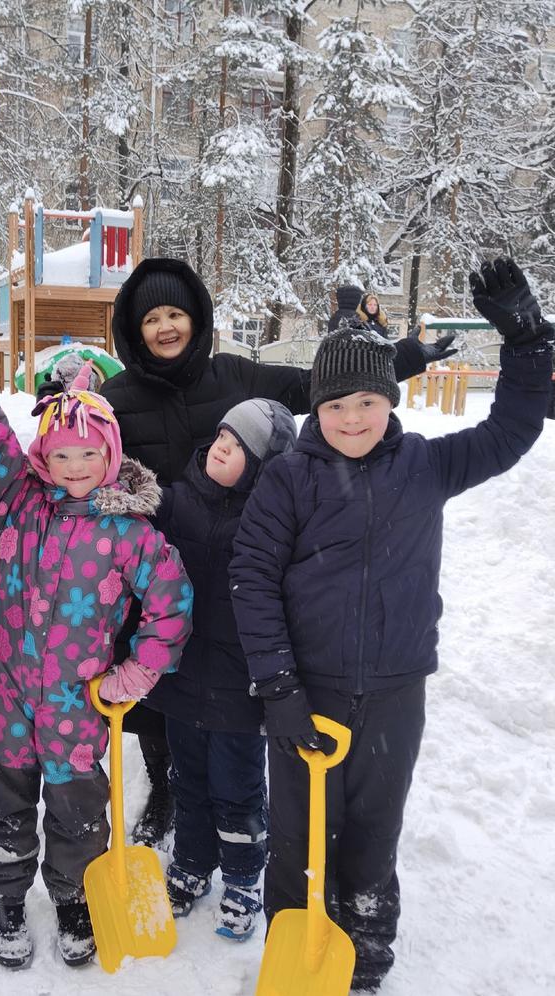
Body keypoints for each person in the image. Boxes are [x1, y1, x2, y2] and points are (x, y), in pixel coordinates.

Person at [228, 258, 553, 993]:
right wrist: (278, 688)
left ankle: (367, 952)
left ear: (388, 401)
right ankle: (295, 951)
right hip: (304, 690)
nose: (351, 419)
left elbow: (513, 428)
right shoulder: (289, 478)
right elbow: (252, 579)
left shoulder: (426, 467)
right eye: (336, 404)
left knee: (375, 831)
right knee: (298, 837)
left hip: (396, 691)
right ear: (317, 406)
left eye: (366, 403)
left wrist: (528, 341)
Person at [90, 256, 456, 848]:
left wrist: (404, 358)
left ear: (196, 318)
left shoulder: (232, 375)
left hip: (239, 553)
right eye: (152, 317)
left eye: (175, 313)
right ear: (134, 330)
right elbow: (87, 455)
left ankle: (237, 804)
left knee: (232, 673)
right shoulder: (116, 396)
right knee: (159, 679)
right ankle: (167, 784)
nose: (165, 327)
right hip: (149, 565)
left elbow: (319, 386)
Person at [0, 284, 193, 971]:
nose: (75, 468)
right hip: (5, 695)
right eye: (63, 454)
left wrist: (136, 672)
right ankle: (6, 896)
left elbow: (171, 602)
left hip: (80, 701)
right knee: (2, 803)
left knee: (79, 813)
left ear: (111, 456)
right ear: (45, 456)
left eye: (89, 455)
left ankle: (77, 896)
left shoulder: (129, 532)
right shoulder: (18, 499)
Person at [145, 398, 297, 941]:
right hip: (182, 677)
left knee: (237, 790)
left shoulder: (270, 521)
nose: (219, 447)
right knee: (187, 781)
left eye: (236, 447)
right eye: (220, 437)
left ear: (260, 468)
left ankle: (242, 877)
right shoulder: (178, 501)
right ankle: (190, 863)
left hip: (238, 686)